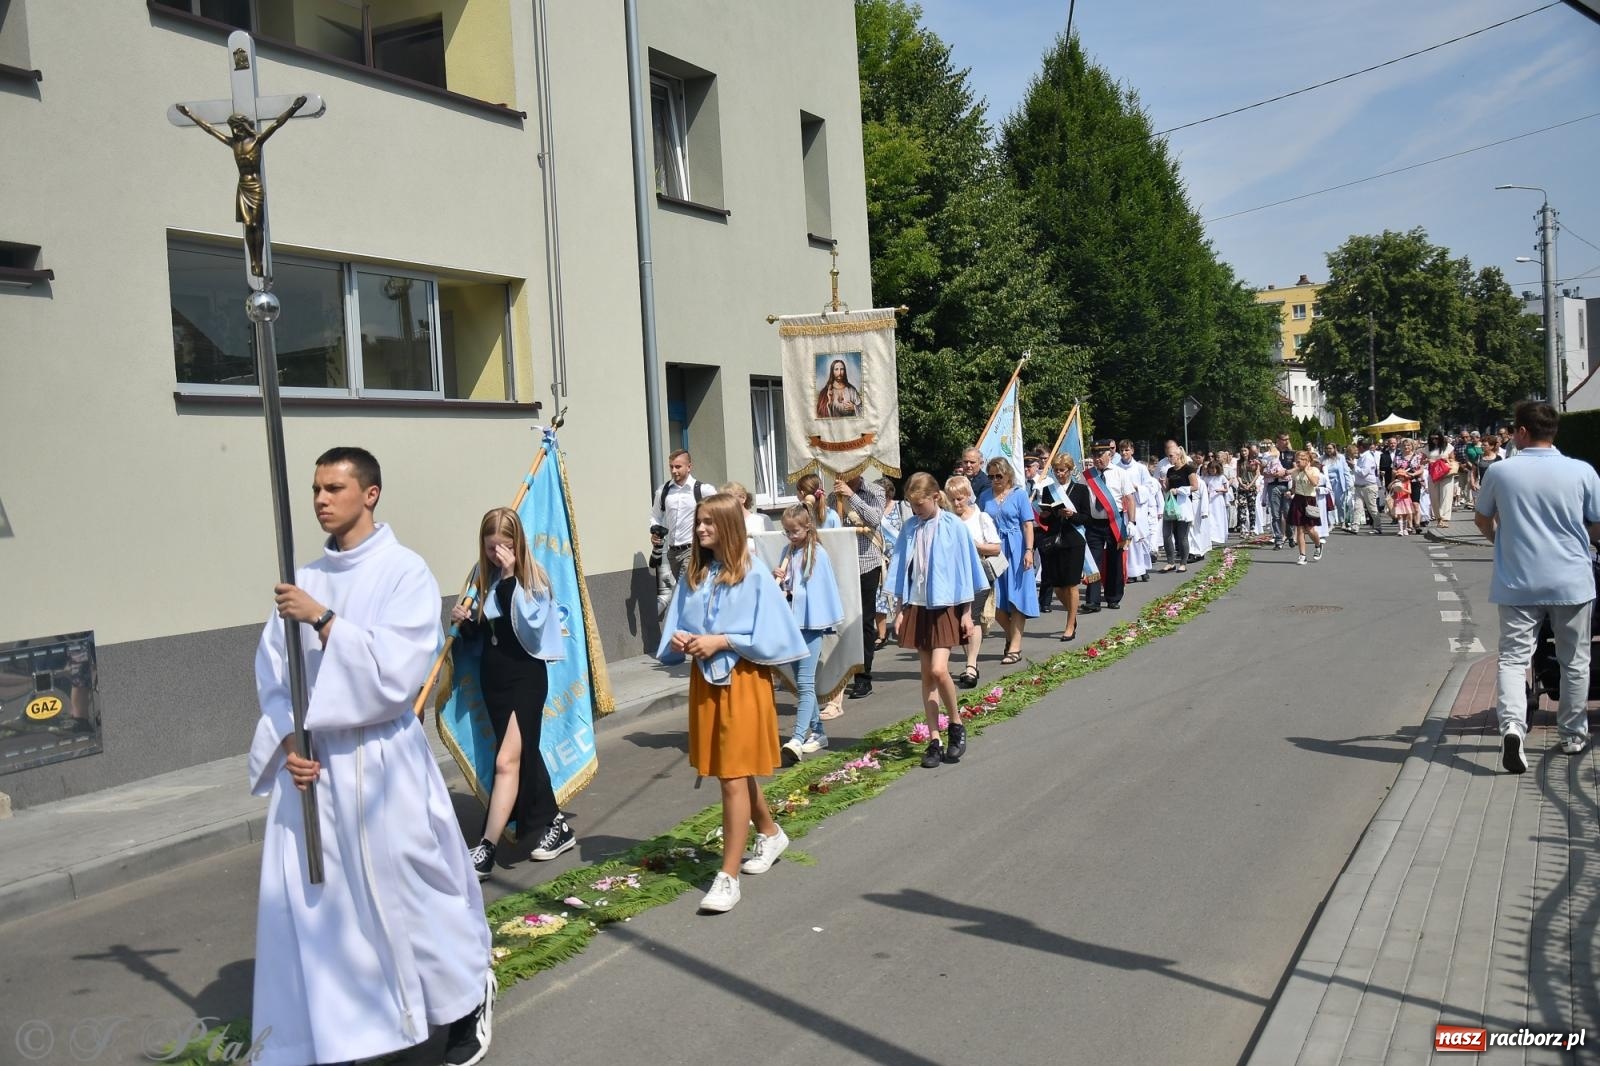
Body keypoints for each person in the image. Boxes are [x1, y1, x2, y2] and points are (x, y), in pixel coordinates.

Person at [250, 446, 494, 1066]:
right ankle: (350, 1032)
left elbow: (399, 673)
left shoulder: (403, 571)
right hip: (316, 769)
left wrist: (326, 620)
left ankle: (467, 998)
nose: (321, 500)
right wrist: (288, 740)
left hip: (383, 761)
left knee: (417, 893)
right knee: (326, 908)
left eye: (334, 487)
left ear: (371, 493)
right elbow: (275, 677)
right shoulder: (301, 577)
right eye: (314, 489)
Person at [656, 493, 809, 913]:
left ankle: (728, 876)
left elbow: (777, 636)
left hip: (743, 680)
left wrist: (722, 640)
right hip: (705, 683)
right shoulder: (696, 576)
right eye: (699, 521)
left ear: (729, 526)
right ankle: (771, 832)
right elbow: (677, 629)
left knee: (730, 775)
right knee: (732, 768)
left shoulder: (755, 574)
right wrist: (681, 642)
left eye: (709, 521)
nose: (701, 528)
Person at [1474, 401, 1600, 772]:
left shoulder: (1501, 471)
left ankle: (1513, 727)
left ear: (1522, 432)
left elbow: (1482, 519)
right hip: (1571, 580)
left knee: (1514, 658)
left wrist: (1500, 539)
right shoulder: (1581, 471)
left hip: (1517, 581)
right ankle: (1573, 734)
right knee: (1575, 660)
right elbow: (1597, 525)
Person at [452, 508, 573, 882]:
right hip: (495, 681)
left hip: (525, 680)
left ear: (517, 543)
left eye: (505, 546)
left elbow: (527, 628)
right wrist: (465, 621)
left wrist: (507, 576)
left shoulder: (532, 580)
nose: (498, 554)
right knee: (523, 755)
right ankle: (556, 823)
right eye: (491, 548)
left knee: (507, 761)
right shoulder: (481, 578)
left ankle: (487, 847)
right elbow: (490, 633)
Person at [888, 472, 987, 769]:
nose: (916, 511)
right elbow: (901, 569)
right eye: (912, 505)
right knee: (927, 676)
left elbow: (965, 570)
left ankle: (955, 724)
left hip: (945, 605)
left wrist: (967, 613)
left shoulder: (953, 526)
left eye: (920, 505)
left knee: (939, 669)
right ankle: (934, 739)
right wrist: (901, 609)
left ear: (934, 498)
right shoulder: (910, 528)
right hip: (918, 605)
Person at [773, 505, 844, 766]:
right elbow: (788, 586)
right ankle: (819, 732)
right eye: (787, 531)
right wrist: (777, 579)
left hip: (810, 625)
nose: (790, 536)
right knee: (803, 684)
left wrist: (790, 593)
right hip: (791, 625)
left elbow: (815, 592)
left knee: (804, 682)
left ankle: (797, 738)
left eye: (794, 531)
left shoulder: (817, 554)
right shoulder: (787, 551)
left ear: (807, 528)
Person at [830, 472, 887, 700]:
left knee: (863, 621)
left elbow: (874, 519)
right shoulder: (832, 495)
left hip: (866, 562)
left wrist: (851, 495)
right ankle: (840, 676)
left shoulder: (875, 490)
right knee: (841, 621)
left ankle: (863, 678)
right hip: (840, 564)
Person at [983, 458, 1040, 664]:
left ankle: (1015, 646)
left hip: (1016, 548)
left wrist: (1028, 550)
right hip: (994, 550)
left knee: (1016, 599)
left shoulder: (1019, 495)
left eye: (999, 476)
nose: (995, 480)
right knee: (995, 600)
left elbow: (1027, 525)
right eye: (991, 476)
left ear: (1007, 475)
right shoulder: (984, 497)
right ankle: (1011, 634)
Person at [947, 474, 1002, 686]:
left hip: (978, 574)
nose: (956, 503)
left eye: (959, 498)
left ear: (968, 496)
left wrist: (976, 545)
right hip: (955, 577)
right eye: (952, 499)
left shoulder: (981, 518)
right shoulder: (947, 520)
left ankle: (971, 665)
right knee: (962, 617)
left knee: (973, 616)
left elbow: (996, 547)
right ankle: (971, 661)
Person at [650, 450, 715, 619]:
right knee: (691, 593)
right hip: (673, 553)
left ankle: (681, 632)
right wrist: (655, 531)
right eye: (671, 467)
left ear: (689, 467)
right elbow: (656, 515)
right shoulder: (663, 491)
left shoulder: (703, 490)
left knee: (683, 592)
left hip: (694, 550)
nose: (674, 471)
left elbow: (721, 512)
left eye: (678, 466)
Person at [1038, 454, 1088, 641]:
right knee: (1058, 587)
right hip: (1054, 539)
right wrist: (1044, 514)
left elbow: (1086, 517)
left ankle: (1069, 625)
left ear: (1070, 470)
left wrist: (1071, 515)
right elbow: (1046, 517)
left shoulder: (1081, 490)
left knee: (1071, 584)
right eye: (1056, 470)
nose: (1059, 474)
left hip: (1074, 540)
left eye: (1062, 470)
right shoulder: (1049, 490)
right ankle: (1072, 614)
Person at [1081, 440, 1135, 611]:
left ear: (1109, 455)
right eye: (1094, 456)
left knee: (1114, 560)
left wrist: (1132, 522)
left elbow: (1129, 499)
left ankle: (1113, 597)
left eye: (1100, 455)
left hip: (1114, 522)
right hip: (1094, 523)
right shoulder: (1087, 475)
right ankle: (1093, 600)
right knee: (1093, 561)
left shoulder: (1120, 473)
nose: (1097, 459)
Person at [874, 478, 911, 649]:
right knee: (879, 598)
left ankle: (903, 629)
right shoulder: (872, 511)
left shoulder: (902, 507)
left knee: (901, 597)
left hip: (902, 559)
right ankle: (881, 634)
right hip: (881, 560)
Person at [1159, 446, 1200, 573]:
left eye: (1171, 456)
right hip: (1171, 505)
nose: (1169, 458)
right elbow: (1167, 489)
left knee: (1182, 536)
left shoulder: (1188, 469)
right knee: (1166, 534)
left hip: (1183, 505)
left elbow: (1195, 486)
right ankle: (1170, 562)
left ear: (1178, 456)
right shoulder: (1170, 471)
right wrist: (1163, 485)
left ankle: (1183, 562)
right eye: (1168, 456)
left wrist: (1179, 490)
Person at [1286, 450, 1325, 563]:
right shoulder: (1295, 472)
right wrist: (1290, 491)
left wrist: (1307, 472)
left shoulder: (1314, 470)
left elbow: (1314, 483)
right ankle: (1302, 555)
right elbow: (1294, 486)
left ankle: (1318, 545)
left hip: (1310, 500)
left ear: (1307, 461)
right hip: (1298, 499)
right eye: (1297, 460)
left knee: (1310, 529)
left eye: (1300, 460)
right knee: (1300, 529)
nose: (1297, 463)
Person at [1426, 432, 1459, 528]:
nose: (1434, 440)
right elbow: (1421, 461)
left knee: (1446, 496)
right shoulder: (1428, 447)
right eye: (1432, 438)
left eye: (1436, 438)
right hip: (1433, 474)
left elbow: (1453, 459)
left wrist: (1447, 460)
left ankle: (1445, 519)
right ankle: (1438, 518)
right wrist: (1428, 461)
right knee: (1434, 497)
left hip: (1446, 474)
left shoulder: (1448, 447)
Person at [1351, 439, 1383, 534]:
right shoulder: (1362, 457)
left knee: (1372, 508)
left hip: (1368, 486)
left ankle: (1378, 527)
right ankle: (1355, 526)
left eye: (1357, 446)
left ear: (1361, 447)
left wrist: (1353, 466)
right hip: (1359, 486)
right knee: (1358, 507)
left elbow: (1364, 473)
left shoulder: (1367, 457)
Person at [1389, 471, 1417, 535]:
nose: (1400, 478)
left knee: (1405, 515)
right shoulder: (1396, 483)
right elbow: (1389, 487)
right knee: (1399, 515)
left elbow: (1410, 492)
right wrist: (1393, 482)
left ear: (1404, 477)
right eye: (1399, 477)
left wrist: (1402, 489)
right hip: (1398, 500)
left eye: (1401, 476)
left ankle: (1405, 529)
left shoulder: (1407, 483)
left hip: (1406, 500)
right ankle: (1400, 530)